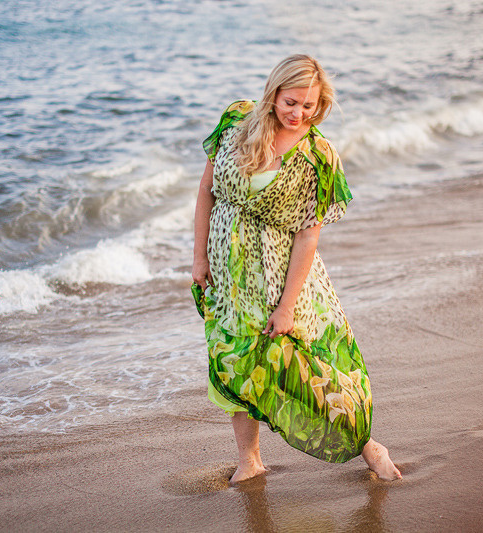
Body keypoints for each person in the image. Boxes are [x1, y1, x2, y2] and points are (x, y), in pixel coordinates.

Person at [191, 54, 402, 484]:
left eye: (309, 106)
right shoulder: (236, 123)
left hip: (280, 280)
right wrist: (199, 256)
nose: (298, 114)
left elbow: (308, 236)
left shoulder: (318, 157)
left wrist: (286, 306)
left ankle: (369, 446)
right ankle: (249, 460)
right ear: (273, 94)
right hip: (229, 277)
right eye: (290, 102)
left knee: (304, 366)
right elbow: (206, 190)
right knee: (234, 361)